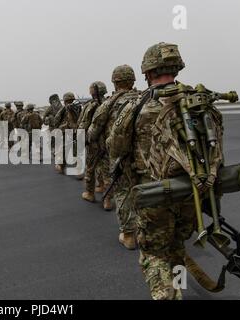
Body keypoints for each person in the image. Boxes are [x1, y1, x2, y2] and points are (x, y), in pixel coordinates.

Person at [108, 42, 192, 299]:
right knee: (178, 245)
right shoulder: (195, 100)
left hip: (156, 195)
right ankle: (180, 288)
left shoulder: (138, 106)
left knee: (154, 252)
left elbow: (115, 147)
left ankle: (167, 295)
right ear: (176, 68)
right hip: (192, 194)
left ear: (147, 72)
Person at [89, 65, 140, 245]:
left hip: (119, 156)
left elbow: (92, 132)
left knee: (123, 191)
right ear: (133, 80)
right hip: (147, 157)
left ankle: (128, 235)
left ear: (115, 82)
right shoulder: (145, 98)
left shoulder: (108, 104)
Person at [77, 81, 108, 202]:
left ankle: (90, 193)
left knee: (90, 168)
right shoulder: (110, 103)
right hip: (107, 142)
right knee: (106, 169)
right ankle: (108, 199)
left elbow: (83, 124)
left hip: (94, 142)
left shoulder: (90, 106)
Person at [53, 92, 82, 174]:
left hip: (70, 132)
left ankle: (75, 168)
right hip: (70, 132)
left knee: (68, 150)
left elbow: (56, 121)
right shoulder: (77, 108)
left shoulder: (73, 108)